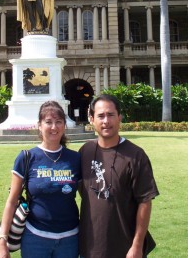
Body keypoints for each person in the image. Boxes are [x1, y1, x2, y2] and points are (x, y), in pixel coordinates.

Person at [79, 94, 159, 258]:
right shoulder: (84, 152)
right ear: (91, 119)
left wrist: (137, 245)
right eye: (100, 116)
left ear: (119, 117)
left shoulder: (136, 155)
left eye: (110, 115)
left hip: (125, 246)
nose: (106, 121)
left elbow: (145, 202)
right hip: (89, 246)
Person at [0, 101, 81, 258]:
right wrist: (2, 240)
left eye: (58, 122)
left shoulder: (75, 158)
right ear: (39, 125)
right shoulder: (27, 157)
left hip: (69, 239)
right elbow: (11, 201)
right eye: (48, 122)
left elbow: (87, 198)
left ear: (64, 125)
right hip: (35, 239)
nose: (54, 127)